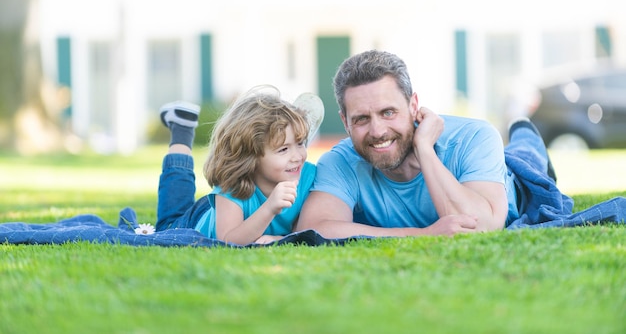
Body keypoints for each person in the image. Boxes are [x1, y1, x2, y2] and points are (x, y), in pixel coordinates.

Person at [296, 50, 558, 238]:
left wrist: (425, 149)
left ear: (413, 106)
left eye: (388, 113)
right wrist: (424, 233)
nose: (377, 131)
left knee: (527, 156)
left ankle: (525, 133)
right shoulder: (340, 161)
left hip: (518, 180)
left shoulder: (475, 136)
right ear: (345, 121)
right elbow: (314, 229)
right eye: (362, 119)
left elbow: (481, 228)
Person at [156, 86, 324, 245]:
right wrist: (270, 207)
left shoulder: (308, 177)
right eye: (283, 149)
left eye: (300, 143)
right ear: (251, 155)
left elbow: (303, 229)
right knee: (168, 227)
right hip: (195, 222)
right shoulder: (232, 185)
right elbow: (228, 240)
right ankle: (182, 130)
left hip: (223, 212)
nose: (297, 156)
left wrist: (277, 238)